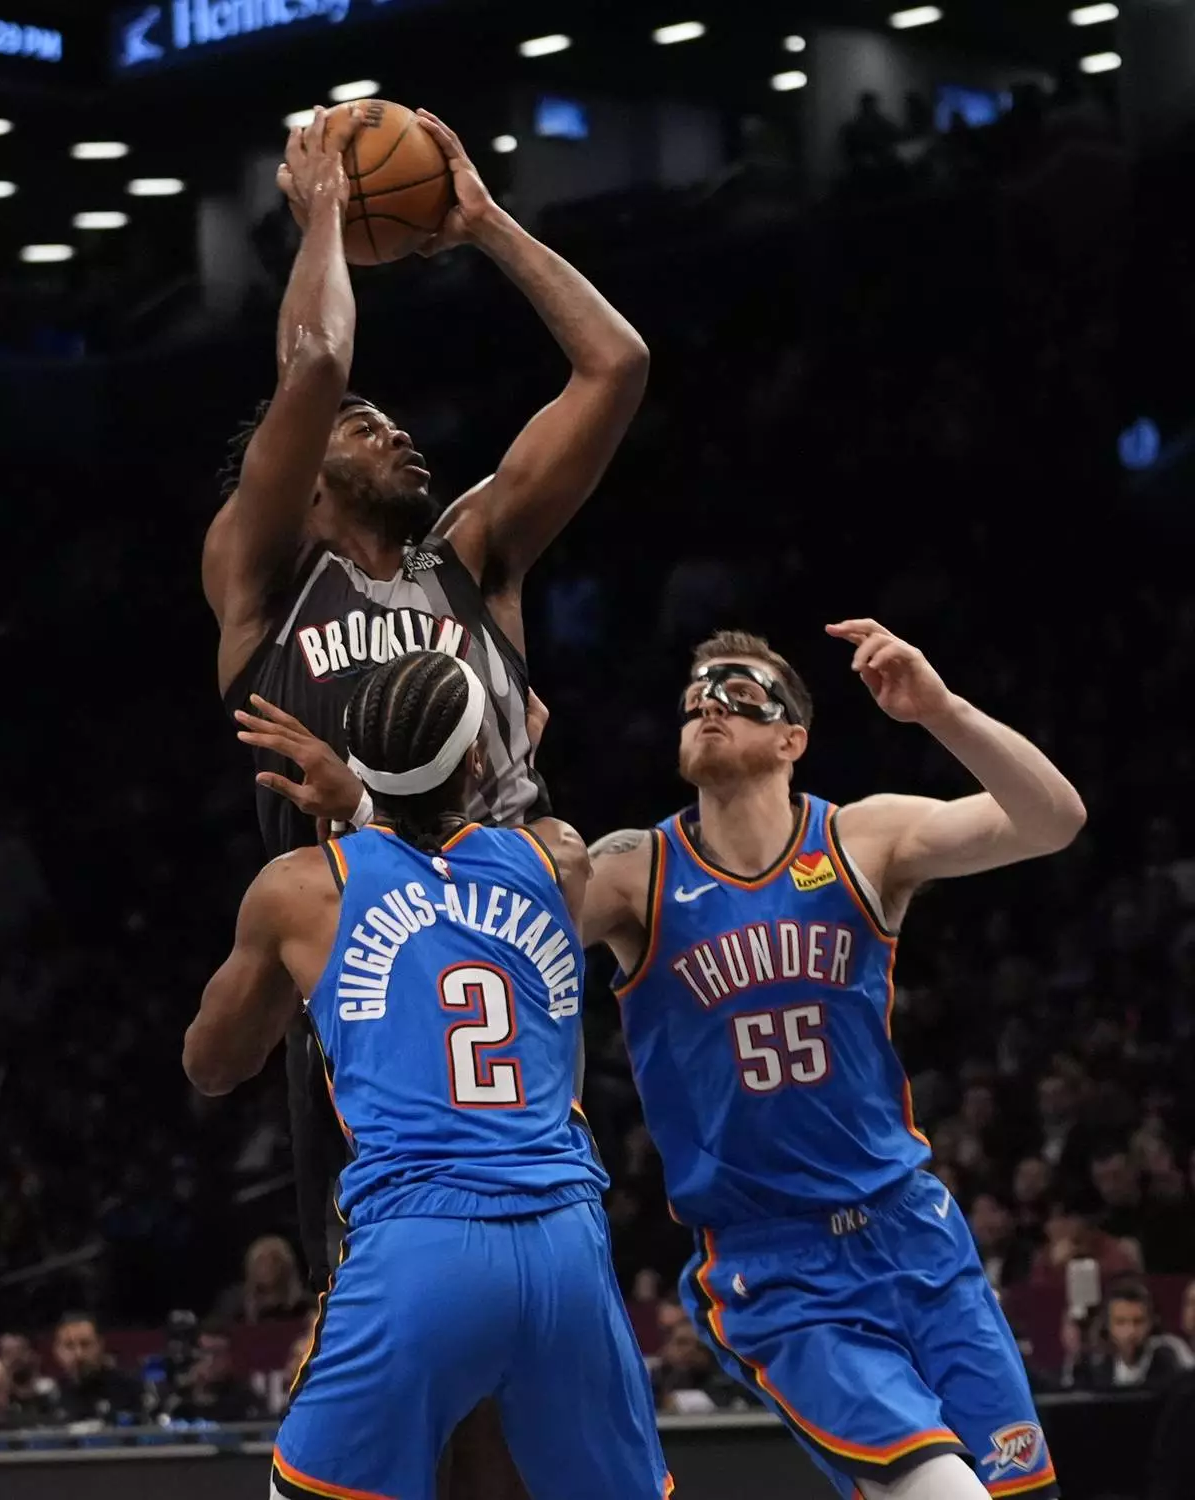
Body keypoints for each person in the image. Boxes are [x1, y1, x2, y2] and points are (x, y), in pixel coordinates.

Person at [202, 102, 647, 1493]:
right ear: (299, 476)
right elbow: (319, 360)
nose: (393, 431)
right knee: (428, 1405)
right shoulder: (266, 577)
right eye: (363, 428)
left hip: (515, 969)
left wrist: (485, 224)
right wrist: (326, 212)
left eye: (393, 422)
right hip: (367, 1002)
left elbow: (616, 364)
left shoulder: (477, 558)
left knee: (523, 1390)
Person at [581, 621, 1087, 1499]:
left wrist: (942, 711)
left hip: (913, 1228)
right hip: (777, 1265)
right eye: (696, 695)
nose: (709, 704)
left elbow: (1053, 821)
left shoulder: (862, 839)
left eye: (739, 694)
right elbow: (488, 930)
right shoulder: (635, 869)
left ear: (792, 739)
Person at [184, 651, 669, 1500]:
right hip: (565, 1242)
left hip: (422, 1240)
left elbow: (213, 1066)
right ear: (477, 761)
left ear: (353, 755)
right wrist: (412, 791)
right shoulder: (558, 857)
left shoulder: (302, 891)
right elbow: (465, 854)